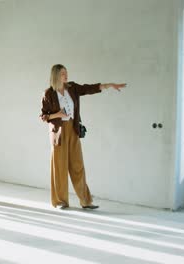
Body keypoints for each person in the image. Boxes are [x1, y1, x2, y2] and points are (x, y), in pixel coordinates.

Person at [40, 64, 126, 209]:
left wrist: (108, 85)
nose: (66, 76)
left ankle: (86, 201)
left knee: (77, 166)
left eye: (66, 73)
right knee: (60, 167)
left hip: (73, 129)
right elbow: (43, 116)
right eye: (62, 73)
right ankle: (61, 201)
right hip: (58, 133)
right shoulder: (48, 93)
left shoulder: (72, 87)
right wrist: (58, 114)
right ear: (55, 75)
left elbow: (88, 88)